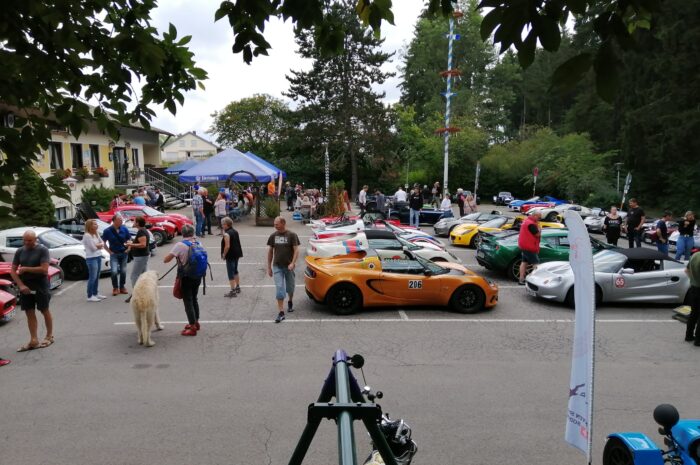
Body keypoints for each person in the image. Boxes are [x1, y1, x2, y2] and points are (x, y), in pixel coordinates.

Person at [11, 230, 54, 352]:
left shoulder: (42, 250)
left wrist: (25, 268)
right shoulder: (20, 251)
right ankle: (34, 340)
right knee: (29, 312)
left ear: (35, 239)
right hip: (26, 285)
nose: (26, 242)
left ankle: (49, 336)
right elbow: (13, 271)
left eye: (29, 240)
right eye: (24, 240)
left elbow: (44, 269)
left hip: (40, 284)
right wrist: (21, 285)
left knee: (44, 310)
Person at [163, 225, 202, 336]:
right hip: (198, 275)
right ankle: (196, 322)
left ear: (183, 233)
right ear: (192, 233)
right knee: (194, 298)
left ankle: (192, 327)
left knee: (188, 301)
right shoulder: (198, 243)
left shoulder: (180, 245)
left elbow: (166, 260)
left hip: (186, 277)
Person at [266, 217, 300, 323]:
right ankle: (281, 313)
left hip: (289, 266)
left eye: (277, 224)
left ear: (283, 223)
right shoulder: (273, 236)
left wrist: (293, 263)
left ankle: (290, 301)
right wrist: (269, 267)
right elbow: (270, 251)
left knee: (290, 287)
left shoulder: (292, 235)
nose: (275, 225)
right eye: (274, 224)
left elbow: (296, 250)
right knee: (280, 288)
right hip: (277, 266)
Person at [102, 214, 131, 296]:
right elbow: (103, 242)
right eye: (119, 220)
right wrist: (109, 251)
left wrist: (129, 248)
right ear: (114, 221)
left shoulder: (124, 228)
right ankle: (115, 287)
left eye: (121, 220)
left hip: (124, 253)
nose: (121, 221)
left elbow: (129, 239)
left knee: (123, 271)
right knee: (114, 271)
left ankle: (122, 287)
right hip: (114, 254)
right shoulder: (107, 230)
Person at [126, 216, 150, 303]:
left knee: (134, 276)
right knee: (144, 275)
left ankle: (136, 294)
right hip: (142, 256)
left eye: (134, 221)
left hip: (141, 257)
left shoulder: (141, 231)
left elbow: (143, 244)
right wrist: (132, 243)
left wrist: (131, 245)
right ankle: (145, 293)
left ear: (137, 223)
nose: (133, 222)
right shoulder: (142, 230)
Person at [82, 219, 106, 302]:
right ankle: (90, 296)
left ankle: (95, 293)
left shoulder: (96, 233)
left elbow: (102, 243)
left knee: (97, 277)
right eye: (95, 224)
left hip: (98, 256)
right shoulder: (87, 235)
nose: (97, 225)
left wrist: (98, 245)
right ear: (90, 226)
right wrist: (98, 246)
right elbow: (93, 248)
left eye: (96, 224)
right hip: (91, 258)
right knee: (92, 277)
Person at [517, 211, 542, 285]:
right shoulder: (531, 224)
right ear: (534, 215)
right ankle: (536, 281)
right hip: (530, 246)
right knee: (536, 264)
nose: (539, 219)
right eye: (539, 217)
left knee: (524, 262)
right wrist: (540, 229)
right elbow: (537, 234)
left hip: (524, 246)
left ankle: (521, 279)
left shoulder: (526, 221)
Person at [221, 217, 243, 298]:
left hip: (230, 255)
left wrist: (224, 254)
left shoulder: (227, 234)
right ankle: (238, 287)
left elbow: (227, 246)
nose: (222, 226)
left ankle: (232, 291)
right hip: (237, 253)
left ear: (226, 224)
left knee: (230, 273)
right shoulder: (235, 231)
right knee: (235, 270)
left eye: (222, 224)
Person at [685, 251, 700, 346]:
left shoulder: (695, 255)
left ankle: (689, 335)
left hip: (693, 288)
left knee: (694, 313)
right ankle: (698, 340)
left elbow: (686, 271)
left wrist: (693, 280)